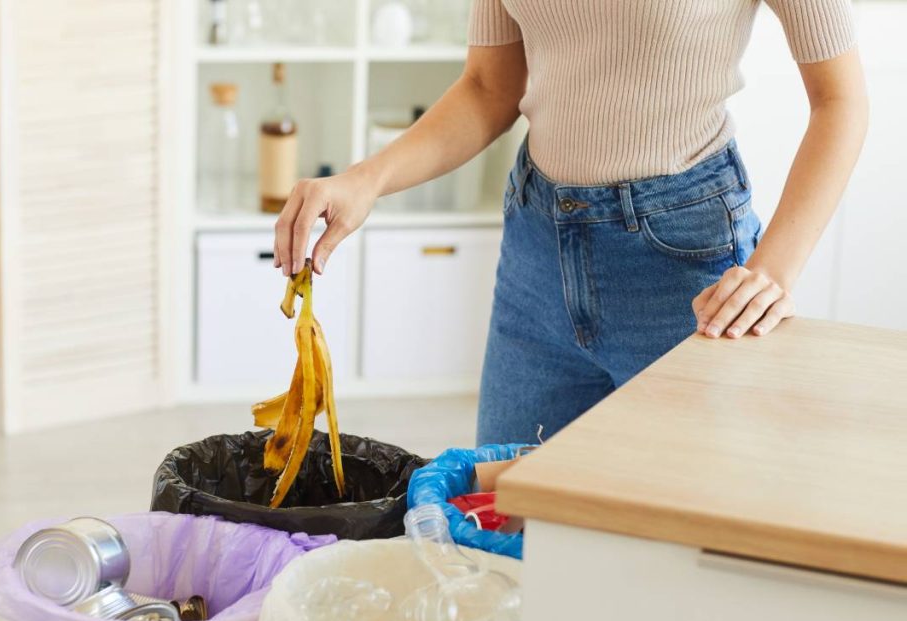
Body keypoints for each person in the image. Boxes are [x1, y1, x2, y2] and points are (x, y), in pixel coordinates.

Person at [272, 0, 868, 445]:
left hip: (685, 268)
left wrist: (775, 270)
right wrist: (365, 179)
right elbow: (488, 88)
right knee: (504, 524)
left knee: (669, 548)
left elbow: (841, 100)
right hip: (537, 253)